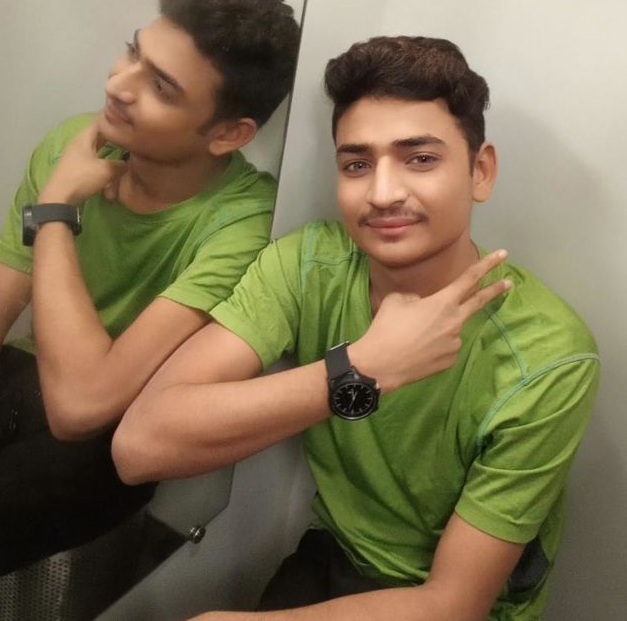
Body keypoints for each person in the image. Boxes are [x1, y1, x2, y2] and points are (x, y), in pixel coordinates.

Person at [112, 36, 599, 620]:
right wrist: (361, 371)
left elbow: (453, 603)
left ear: (480, 170)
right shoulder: (310, 266)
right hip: (334, 550)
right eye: (357, 164)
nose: (383, 193)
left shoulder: (548, 356)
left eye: (421, 159)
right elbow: (138, 447)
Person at [0, 0, 300, 577]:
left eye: (159, 86)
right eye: (134, 51)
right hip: (25, 383)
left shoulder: (243, 222)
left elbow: (82, 408)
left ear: (228, 134)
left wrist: (55, 212)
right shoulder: (75, 145)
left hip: (108, 439)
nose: (117, 84)